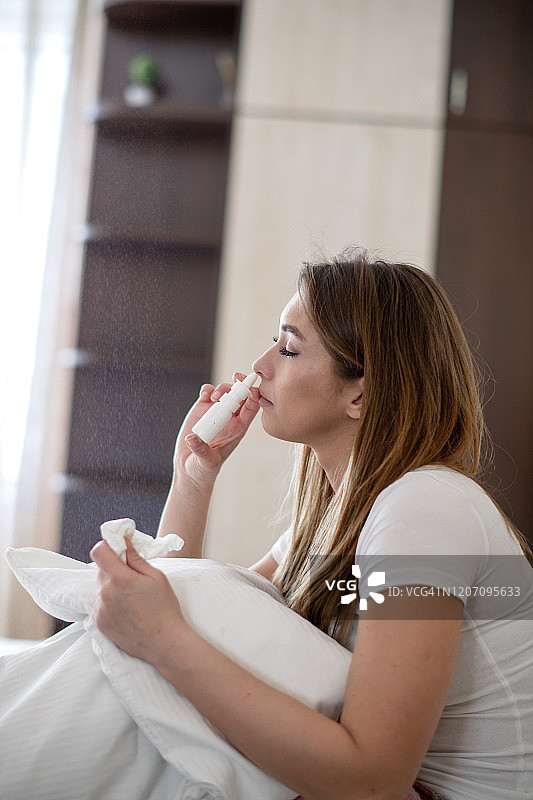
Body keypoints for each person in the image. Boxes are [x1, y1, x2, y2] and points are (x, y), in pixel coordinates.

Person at [91, 249, 533, 800]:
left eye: (290, 348)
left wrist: (162, 640)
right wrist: (193, 478)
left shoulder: (425, 507)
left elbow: (373, 778)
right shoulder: (340, 517)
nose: (260, 367)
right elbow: (206, 616)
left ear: (361, 393)